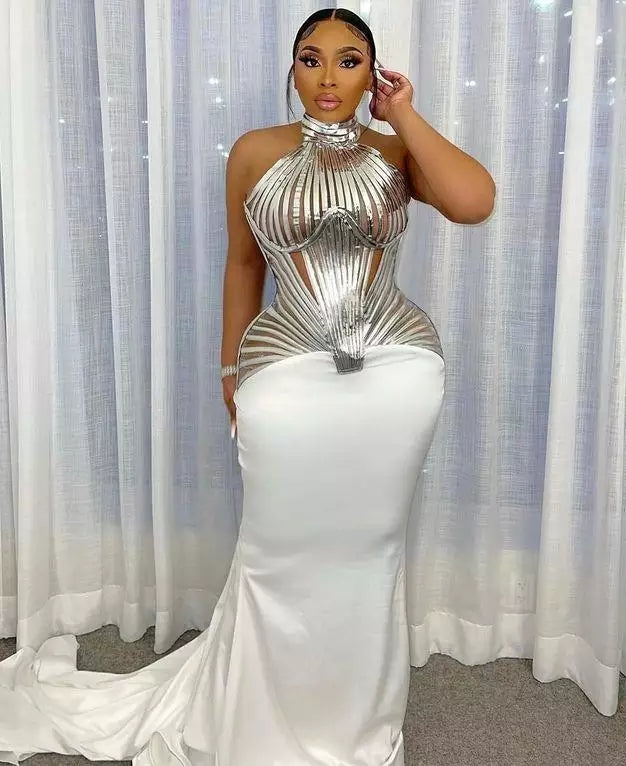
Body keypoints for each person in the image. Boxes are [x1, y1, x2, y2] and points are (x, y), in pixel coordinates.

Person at [0, 8, 494, 766]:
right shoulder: (255, 150)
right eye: (311, 58)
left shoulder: (396, 151)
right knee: (279, 553)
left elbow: (474, 202)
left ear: (374, 73)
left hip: (397, 375)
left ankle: (351, 725)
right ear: (291, 69)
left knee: (370, 555)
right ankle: (260, 723)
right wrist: (229, 368)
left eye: (350, 61)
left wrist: (402, 114)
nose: (328, 76)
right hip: (284, 375)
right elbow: (243, 264)